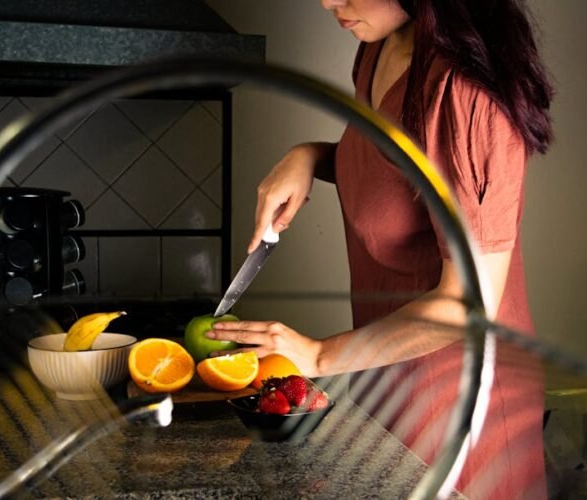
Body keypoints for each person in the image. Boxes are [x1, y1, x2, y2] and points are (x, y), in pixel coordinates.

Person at [209, 0, 554, 497]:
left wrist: (320, 356)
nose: (328, 2)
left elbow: (465, 306)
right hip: (386, 385)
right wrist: (309, 156)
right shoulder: (379, 47)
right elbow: (391, 175)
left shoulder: (467, 93)